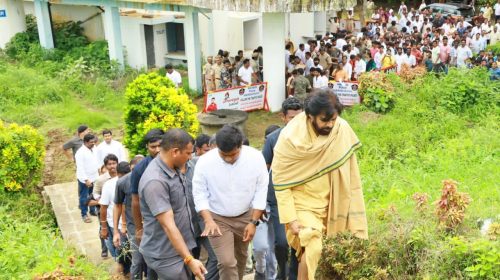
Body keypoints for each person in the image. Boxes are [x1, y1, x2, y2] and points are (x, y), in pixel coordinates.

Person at [272, 91, 368, 280]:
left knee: (335, 253)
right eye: (325, 120)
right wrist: (291, 219)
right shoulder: (290, 138)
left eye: (334, 119)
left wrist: (351, 201)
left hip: (333, 199)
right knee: (313, 244)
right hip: (302, 204)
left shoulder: (341, 129)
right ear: (310, 116)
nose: (330, 124)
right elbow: (281, 182)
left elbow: (350, 170)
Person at [193, 125, 268, 280]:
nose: (228, 158)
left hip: (245, 216)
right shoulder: (205, 162)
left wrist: (253, 222)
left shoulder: (255, 158)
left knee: (240, 258)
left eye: (233, 154)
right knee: (227, 262)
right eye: (223, 154)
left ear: (240, 146)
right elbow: (199, 193)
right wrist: (208, 220)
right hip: (217, 218)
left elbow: (261, 190)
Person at [138, 129, 207, 279]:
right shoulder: (155, 181)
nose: (190, 158)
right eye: (188, 153)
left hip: (182, 247)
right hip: (166, 254)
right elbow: (168, 225)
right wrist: (189, 259)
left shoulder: (173, 168)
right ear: (175, 152)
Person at [262, 97, 303, 280]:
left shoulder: (310, 137)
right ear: (283, 117)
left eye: (299, 117)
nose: (296, 122)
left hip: (303, 197)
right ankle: (282, 272)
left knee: (300, 240)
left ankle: (293, 275)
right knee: (281, 243)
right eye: (292, 117)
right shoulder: (273, 139)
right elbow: (265, 169)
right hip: (279, 199)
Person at [113, 156, 147, 280]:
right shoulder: (123, 182)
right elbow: (117, 206)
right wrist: (116, 230)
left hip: (153, 225)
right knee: (137, 261)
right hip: (134, 228)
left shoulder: (153, 178)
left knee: (154, 260)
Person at [131, 129, 164, 245]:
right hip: (153, 221)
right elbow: (135, 201)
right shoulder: (139, 169)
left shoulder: (175, 162)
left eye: (160, 145)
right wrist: (139, 228)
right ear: (147, 147)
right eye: (153, 147)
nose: (157, 150)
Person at [99, 154, 130, 274]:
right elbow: (103, 207)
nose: (112, 166)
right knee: (121, 252)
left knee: (127, 252)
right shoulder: (109, 185)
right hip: (115, 223)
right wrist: (104, 227)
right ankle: (122, 271)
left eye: (114, 163)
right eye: (109, 164)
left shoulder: (134, 182)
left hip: (131, 223)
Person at [75, 133, 99, 223]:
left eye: (94, 142)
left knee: (92, 195)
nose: (93, 144)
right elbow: (80, 167)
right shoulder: (80, 153)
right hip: (85, 179)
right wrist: (86, 179)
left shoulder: (94, 148)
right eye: (91, 142)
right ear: (85, 142)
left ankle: (92, 211)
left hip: (94, 177)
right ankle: (84, 214)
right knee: (84, 197)